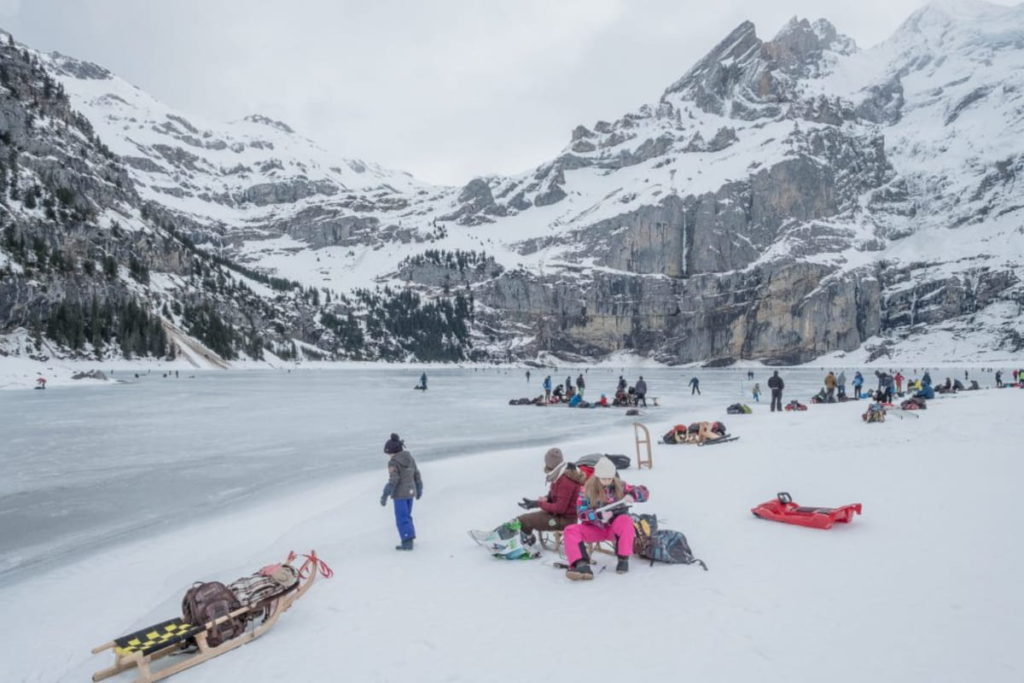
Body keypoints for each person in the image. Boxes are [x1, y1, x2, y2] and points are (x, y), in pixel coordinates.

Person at [562, 457, 649, 580]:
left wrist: (633, 494)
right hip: (595, 528)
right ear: (597, 477)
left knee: (626, 520)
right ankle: (580, 564)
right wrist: (598, 516)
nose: (607, 481)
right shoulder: (586, 490)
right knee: (570, 530)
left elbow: (644, 492)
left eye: (610, 478)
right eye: (604, 478)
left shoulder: (620, 485)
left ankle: (623, 559)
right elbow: (581, 513)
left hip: (614, 528)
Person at [515, 448, 585, 533]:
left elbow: (560, 508)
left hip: (565, 521)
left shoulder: (565, 481)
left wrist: (539, 504)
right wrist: (538, 501)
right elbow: (554, 496)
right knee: (523, 518)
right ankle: (526, 538)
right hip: (557, 516)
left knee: (524, 520)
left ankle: (527, 540)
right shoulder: (559, 475)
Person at [380, 433, 422, 551]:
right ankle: (410, 538)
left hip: (400, 494)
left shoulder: (393, 462)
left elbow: (394, 480)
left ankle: (407, 541)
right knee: (407, 516)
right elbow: (416, 473)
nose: (388, 456)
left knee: (401, 518)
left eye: (389, 453)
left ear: (392, 451)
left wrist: (385, 494)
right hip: (410, 492)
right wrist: (419, 488)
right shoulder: (409, 458)